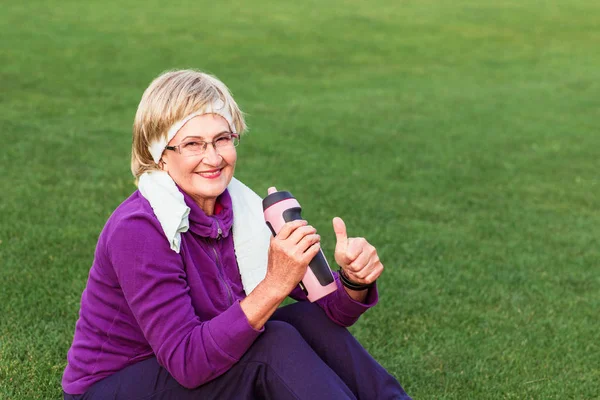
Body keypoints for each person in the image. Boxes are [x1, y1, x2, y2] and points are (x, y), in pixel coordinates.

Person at [61, 69, 411, 399]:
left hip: (197, 362)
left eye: (222, 139)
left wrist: (354, 281)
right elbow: (187, 362)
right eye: (192, 144)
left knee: (305, 323)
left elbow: (332, 314)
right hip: (116, 385)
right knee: (273, 343)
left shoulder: (247, 209)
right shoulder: (139, 228)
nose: (212, 157)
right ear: (159, 155)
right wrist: (274, 285)